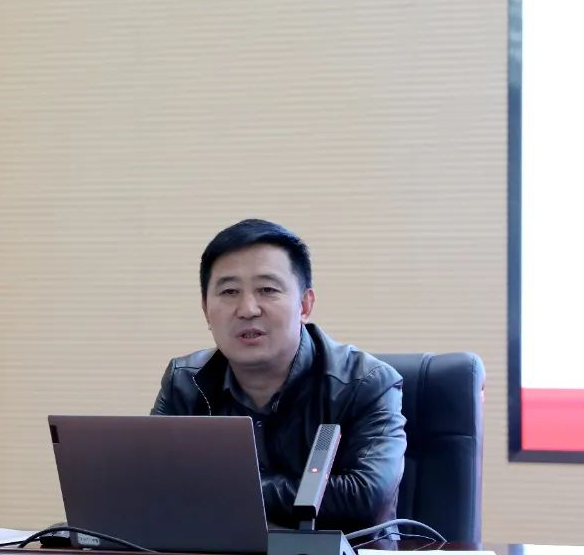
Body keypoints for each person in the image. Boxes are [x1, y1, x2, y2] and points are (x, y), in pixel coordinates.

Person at [151, 218, 407, 534]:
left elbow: (365, 496)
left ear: (304, 305)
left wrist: (226, 488)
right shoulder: (185, 382)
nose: (247, 309)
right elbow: (152, 485)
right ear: (206, 309)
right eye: (229, 291)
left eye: (267, 290)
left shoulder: (366, 384)